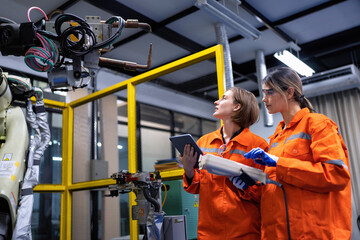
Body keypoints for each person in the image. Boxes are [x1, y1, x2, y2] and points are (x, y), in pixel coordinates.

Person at [244, 67, 352, 239]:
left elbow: (336, 175)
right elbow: (276, 187)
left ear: (289, 92)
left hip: (313, 233)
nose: (264, 99)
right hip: (277, 233)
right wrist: (248, 184)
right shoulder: (275, 139)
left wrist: (279, 163)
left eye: (269, 92)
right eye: (263, 93)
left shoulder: (318, 124)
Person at [179, 87, 268, 240]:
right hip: (208, 233)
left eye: (224, 98)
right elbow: (196, 187)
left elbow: (265, 193)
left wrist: (246, 186)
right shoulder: (204, 142)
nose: (216, 101)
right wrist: (188, 170)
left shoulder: (258, 146)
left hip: (244, 232)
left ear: (237, 106)